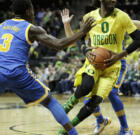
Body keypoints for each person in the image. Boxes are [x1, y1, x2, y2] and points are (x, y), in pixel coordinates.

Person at [60, 6, 140, 135]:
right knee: (88, 96)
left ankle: (125, 129)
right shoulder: (89, 30)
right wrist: (66, 24)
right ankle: (101, 121)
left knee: (111, 92)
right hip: (96, 65)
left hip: (116, 62)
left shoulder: (119, 19)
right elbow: (71, 42)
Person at [0, 0, 95, 135]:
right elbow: (58, 44)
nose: (33, 14)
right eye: (32, 10)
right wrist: (82, 31)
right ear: (28, 11)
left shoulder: (2, 25)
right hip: (17, 73)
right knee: (50, 101)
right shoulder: (31, 28)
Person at [58, 0, 140, 134]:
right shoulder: (89, 17)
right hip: (95, 62)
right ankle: (71, 107)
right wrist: (85, 50)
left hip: (113, 64)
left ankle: (69, 127)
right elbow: (81, 40)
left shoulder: (122, 17)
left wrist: (119, 55)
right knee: (86, 88)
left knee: (97, 100)